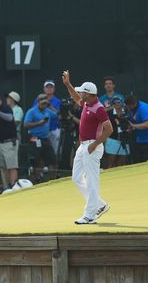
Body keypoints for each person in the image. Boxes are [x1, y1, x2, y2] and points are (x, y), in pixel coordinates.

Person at [61, 72, 113, 225]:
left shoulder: (99, 108)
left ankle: (90, 214)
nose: (80, 93)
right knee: (76, 178)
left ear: (89, 94)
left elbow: (109, 129)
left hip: (92, 147)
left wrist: (94, 144)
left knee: (91, 181)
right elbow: (76, 97)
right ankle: (100, 204)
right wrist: (67, 84)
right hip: (84, 146)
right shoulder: (86, 103)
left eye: (82, 91)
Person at [23, 93, 58, 183]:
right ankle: (37, 179)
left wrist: (50, 106)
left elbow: (57, 114)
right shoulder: (32, 111)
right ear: (38, 102)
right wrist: (39, 123)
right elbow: (26, 124)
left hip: (46, 138)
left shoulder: (47, 110)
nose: (44, 105)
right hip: (35, 138)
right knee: (38, 160)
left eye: (45, 103)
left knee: (53, 159)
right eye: (42, 103)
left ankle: (52, 180)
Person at [0, 93, 19, 189]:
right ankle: (6, 188)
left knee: (11, 166)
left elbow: (9, 118)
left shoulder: (6, 107)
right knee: (2, 167)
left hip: (9, 142)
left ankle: (13, 187)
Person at [125, 94, 148, 162]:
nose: (127, 108)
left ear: (132, 104)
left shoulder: (144, 108)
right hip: (141, 141)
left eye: (128, 106)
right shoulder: (132, 109)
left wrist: (133, 126)